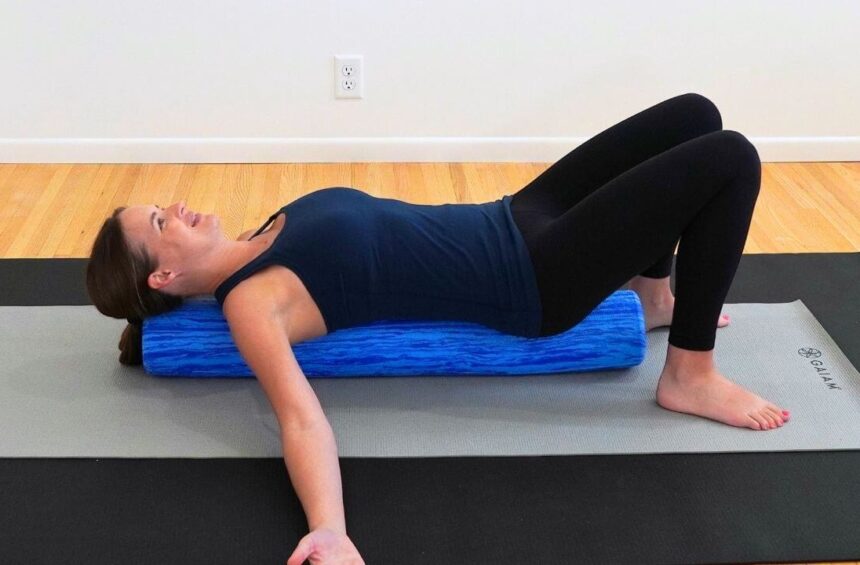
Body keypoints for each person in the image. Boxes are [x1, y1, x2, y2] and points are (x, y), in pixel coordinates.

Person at [86, 92, 790, 564]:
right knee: (731, 157)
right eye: (159, 222)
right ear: (163, 278)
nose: (174, 208)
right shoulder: (251, 303)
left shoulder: (256, 235)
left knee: (696, 114)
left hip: (514, 215)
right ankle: (689, 373)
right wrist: (329, 527)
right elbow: (300, 419)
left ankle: (655, 292)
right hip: (533, 278)